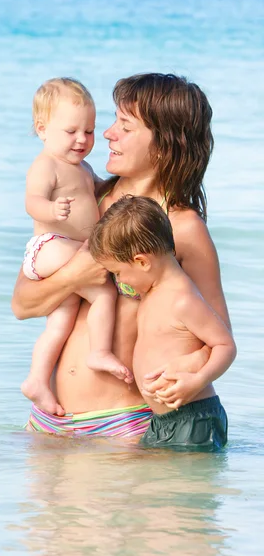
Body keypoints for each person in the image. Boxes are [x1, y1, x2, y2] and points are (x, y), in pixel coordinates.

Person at [12, 72, 232, 442]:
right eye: (113, 122)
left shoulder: (181, 227)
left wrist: (189, 374)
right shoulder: (89, 203)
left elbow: (218, 335)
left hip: (121, 423)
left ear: (163, 144)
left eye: (125, 126)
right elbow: (22, 304)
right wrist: (76, 274)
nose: (109, 134)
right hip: (50, 419)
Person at [21, 77, 132, 417]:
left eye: (89, 131)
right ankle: (99, 351)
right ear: (42, 130)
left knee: (61, 321)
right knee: (104, 291)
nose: (82, 140)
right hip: (50, 245)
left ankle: (37, 380)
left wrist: (112, 185)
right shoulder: (46, 165)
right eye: (71, 131)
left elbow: (93, 188)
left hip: (62, 249)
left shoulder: (81, 167)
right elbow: (31, 200)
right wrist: (50, 210)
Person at [89, 195, 236, 449]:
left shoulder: (181, 299)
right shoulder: (152, 291)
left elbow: (225, 346)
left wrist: (198, 380)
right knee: (158, 485)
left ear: (142, 262)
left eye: (118, 272)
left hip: (194, 416)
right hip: (165, 419)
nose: (120, 279)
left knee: (185, 487)